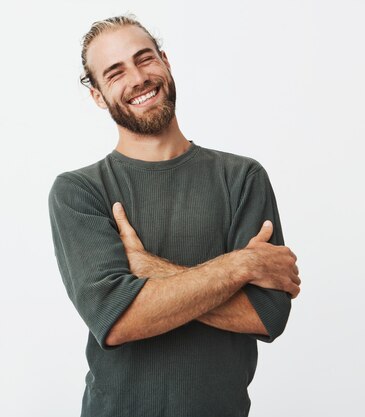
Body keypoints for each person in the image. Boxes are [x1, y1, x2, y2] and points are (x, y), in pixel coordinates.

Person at [47, 14, 301, 417]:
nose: (138, 78)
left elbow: (267, 315)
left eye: (144, 59)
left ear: (165, 61)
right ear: (97, 95)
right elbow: (117, 321)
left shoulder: (241, 177)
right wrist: (242, 264)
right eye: (115, 73)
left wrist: (149, 270)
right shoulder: (79, 191)